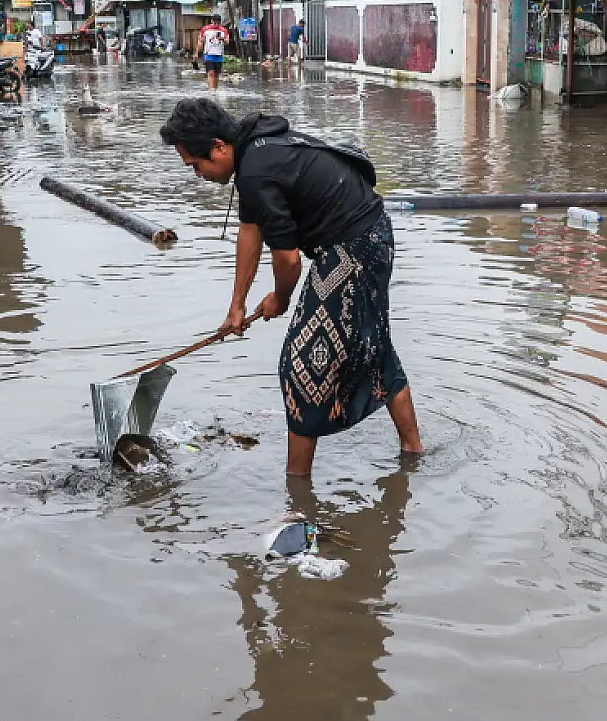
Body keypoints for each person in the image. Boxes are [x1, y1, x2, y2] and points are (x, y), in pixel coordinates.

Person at [160, 97, 422, 477]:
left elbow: (288, 261)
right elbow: (250, 231)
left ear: (218, 146)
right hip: (371, 235)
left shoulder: (256, 171)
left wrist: (280, 298)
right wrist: (237, 305)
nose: (197, 174)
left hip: (354, 246)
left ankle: (297, 491)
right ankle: (412, 452)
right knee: (373, 342)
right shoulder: (253, 151)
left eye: (196, 165)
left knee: (301, 365)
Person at [196, 14, 230, 88]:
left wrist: (222, 39)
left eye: (218, 23)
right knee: (211, 73)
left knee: (217, 74)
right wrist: (197, 52)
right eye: (215, 22)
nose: (216, 24)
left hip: (219, 54)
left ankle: (215, 89)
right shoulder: (205, 29)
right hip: (208, 54)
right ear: (212, 21)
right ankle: (211, 91)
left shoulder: (224, 30)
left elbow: (227, 41)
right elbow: (200, 40)